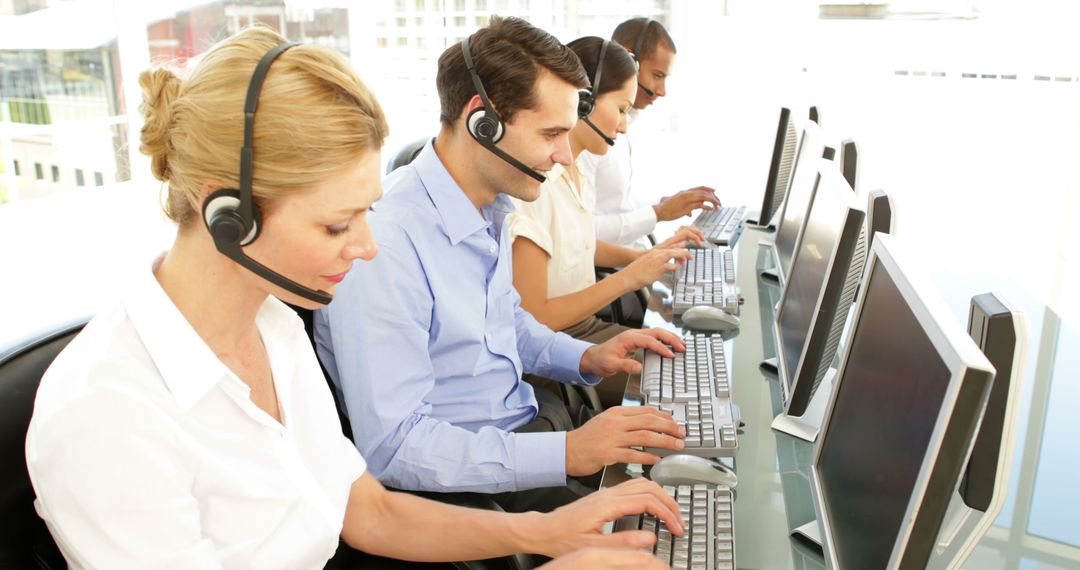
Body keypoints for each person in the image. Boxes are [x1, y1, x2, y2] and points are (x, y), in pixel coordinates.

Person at [24, 27, 682, 569]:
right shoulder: (105, 414)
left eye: (365, 213)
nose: (367, 246)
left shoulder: (274, 326)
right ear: (230, 215)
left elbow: (368, 511)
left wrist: (542, 536)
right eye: (337, 225)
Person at [315, 17, 687, 515]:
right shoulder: (386, 248)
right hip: (472, 490)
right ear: (481, 121)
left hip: (524, 432)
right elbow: (395, 449)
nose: (562, 154)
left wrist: (583, 358)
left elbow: (505, 323)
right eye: (551, 134)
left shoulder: (487, 207)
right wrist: (568, 453)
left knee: (679, 482)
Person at [505, 36, 694, 407]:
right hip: (557, 346)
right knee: (684, 388)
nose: (624, 126)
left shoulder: (576, 171)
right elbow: (534, 317)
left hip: (584, 328)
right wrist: (629, 277)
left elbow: (580, 245)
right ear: (584, 102)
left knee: (686, 363)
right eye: (621, 109)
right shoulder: (534, 189)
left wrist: (645, 260)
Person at [579, 17, 721, 251]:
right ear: (628, 60)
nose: (662, 91)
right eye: (657, 75)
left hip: (630, 258)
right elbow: (582, 234)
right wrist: (658, 213)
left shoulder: (623, 126)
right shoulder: (590, 134)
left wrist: (666, 204)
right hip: (610, 270)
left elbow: (616, 206)